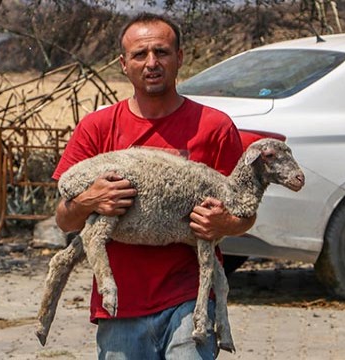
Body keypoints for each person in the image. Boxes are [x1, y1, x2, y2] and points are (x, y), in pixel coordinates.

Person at [51, 12, 256, 359]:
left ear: (179, 57)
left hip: (190, 298)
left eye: (161, 52)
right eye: (139, 55)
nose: (151, 63)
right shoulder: (97, 127)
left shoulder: (214, 127)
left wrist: (225, 223)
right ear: (123, 64)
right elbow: (64, 220)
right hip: (120, 306)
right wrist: (89, 200)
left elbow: (244, 215)